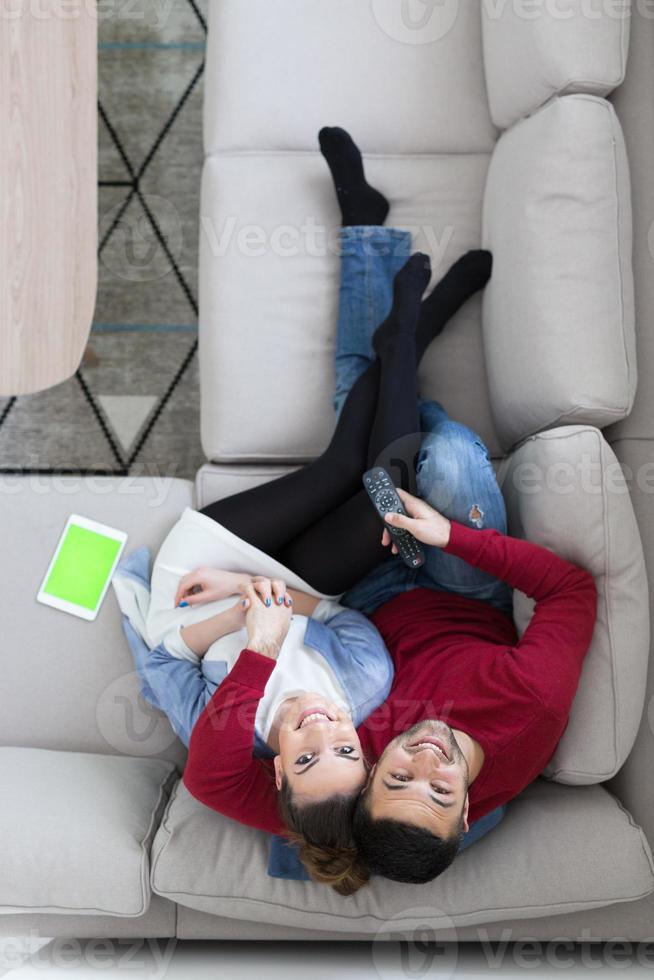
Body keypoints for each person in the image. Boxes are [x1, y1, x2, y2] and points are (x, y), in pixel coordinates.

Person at [182, 128, 598, 892]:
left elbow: (212, 786)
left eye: (394, 778)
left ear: (366, 788)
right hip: (455, 580)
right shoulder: (530, 712)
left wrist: (254, 627)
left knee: (370, 452)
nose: (423, 762)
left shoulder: (343, 782)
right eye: (439, 789)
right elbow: (573, 590)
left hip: (360, 594)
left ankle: (396, 316)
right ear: (469, 811)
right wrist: (455, 537)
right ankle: (407, 342)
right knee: (447, 463)